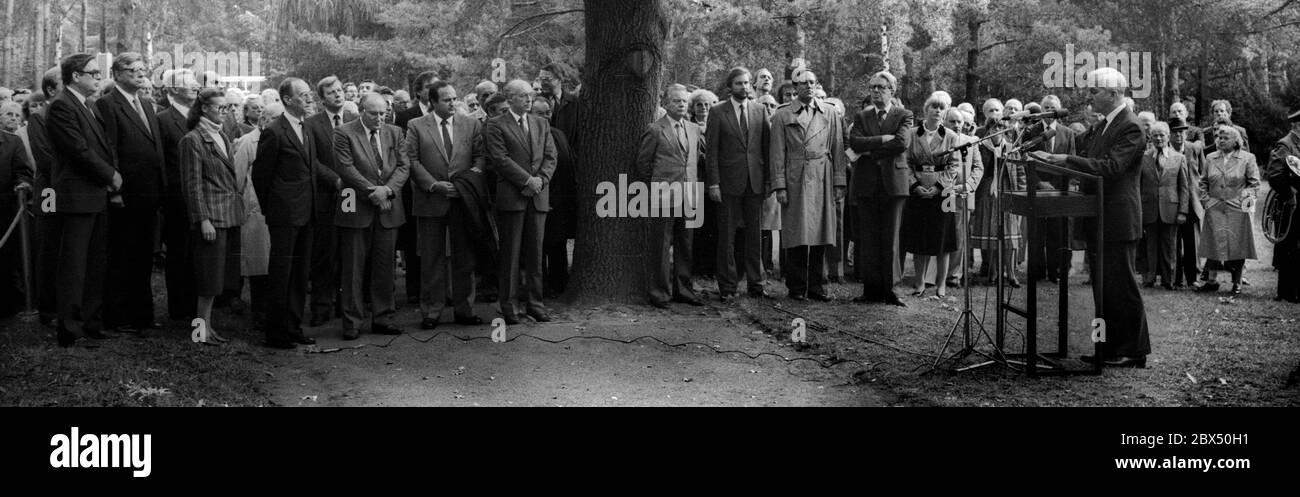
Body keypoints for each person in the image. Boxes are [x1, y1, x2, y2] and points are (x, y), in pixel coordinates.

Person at [1031, 67, 1150, 368]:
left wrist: (1066, 159)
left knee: (1121, 286)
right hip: (1098, 216)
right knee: (1102, 288)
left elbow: (1110, 168)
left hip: (1118, 219)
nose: (1089, 96)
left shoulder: (1130, 126)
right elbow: (1088, 159)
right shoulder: (1104, 125)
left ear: (1112, 94)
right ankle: (1105, 347)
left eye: (1094, 90)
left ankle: (1133, 351)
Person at [47, 53, 121, 347]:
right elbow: (78, 150)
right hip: (76, 195)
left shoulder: (89, 106)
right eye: (93, 73)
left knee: (94, 263)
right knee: (74, 266)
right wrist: (110, 175)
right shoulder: (61, 106)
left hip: (95, 194)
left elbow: (102, 146)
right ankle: (70, 329)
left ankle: (91, 322)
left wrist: (111, 175)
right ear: (75, 76)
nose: (98, 78)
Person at [405, 80, 488, 330]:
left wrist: (467, 181)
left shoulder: (470, 123)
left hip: (463, 200)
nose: (453, 103)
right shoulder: (416, 125)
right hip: (431, 199)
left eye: (454, 98)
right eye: (446, 99)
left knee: (465, 257)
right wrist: (434, 185)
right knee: (432, 258)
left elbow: (480, 157)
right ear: (432, 102)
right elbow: (412, 160)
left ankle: (465, 309)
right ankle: (432, 311)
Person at [96, 53, 166, 333]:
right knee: (122, 255)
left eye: (141, 69)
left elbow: (155, 147)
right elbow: (109, 149)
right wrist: (115, 190)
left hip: (149, 193)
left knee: (142, 255)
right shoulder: (107, 104)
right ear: (117, 74)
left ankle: (142, 314)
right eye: (132, 70)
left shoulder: (147, 105)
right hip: (125, 193)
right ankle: (118, 316)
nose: (139, 74)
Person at [332, 92, 409, 339]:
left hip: (388, 204)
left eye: (383, 113)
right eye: (374, 114)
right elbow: (345, 168)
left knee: (385, 264)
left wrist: (387, 190)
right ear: (362, 111)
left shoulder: (394, 132)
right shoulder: (344, 132)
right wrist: (372, 192)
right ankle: (352, 321)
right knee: (353, 266)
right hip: (353, 202)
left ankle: (383, 317)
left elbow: (404, 166)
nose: (379, 118)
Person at [252, 78, 320, 349]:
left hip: (307, 212)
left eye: (308, 94)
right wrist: (274, 210)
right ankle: (276, 332)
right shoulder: (275, 131)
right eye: (302, 95)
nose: (309, 98)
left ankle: (293, 327)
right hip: (285, 215)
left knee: (300, 274)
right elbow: (261, 176)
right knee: (282, 273)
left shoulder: (306, 128)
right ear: (288, 100)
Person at [485, 79, 556, 324]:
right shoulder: (496, 125)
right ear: (510, 98)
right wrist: (527, 181)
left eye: (530, 95)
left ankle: (536, 304)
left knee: (536, 255)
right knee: (511, 255)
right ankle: (510, 305)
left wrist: (540, 181)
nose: (529, 99)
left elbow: (550, 157)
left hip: (538, 197)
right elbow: (500, 159)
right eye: (523, 95)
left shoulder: (541, 123)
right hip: (513, 196)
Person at [770, 70, 844, 301]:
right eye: (803, 83)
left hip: (823, 175)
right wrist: (779, 186)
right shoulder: (782, 115)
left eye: (812, 82)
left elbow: (838, 150)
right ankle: (796, 287)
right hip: (795, 176)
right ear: (796, 86)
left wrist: (839, 182)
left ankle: (816, 287)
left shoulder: (830, 112)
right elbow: (776, 153)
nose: (808, 87)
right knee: (796, 234)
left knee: (821, 233)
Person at [179, 88, 242, 343]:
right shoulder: (192, 140)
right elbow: (192, 185)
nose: (225, 112)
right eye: (221, 108)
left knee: (216, 277)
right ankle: (199, 329)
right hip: (211, 218)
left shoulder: (222, 137)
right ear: (204, 108)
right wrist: (202, 219)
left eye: (228, 108)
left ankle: (206, 326)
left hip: (227, 215)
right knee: (207, 278)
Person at [848, 71, 913, 307]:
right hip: (866, 183)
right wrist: (884, 138)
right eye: (873, 87)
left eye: (881, 87)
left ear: (892, 90)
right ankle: (871, 288)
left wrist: (871, 148)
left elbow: (901, 143)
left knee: (891, 237)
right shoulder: (862, 116)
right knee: (868, 237)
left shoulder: (904, 115)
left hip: (893, 184)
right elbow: (855, 143)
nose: (876, 91)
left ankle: (890, 289)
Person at [705, 67, 769, 301]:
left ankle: (756, 283)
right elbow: (711, 152)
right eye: (739, 83)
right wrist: (714, 184)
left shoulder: (760, 110)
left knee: (754, 236)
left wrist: (768, 181)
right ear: (730, 87)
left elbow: (765, 148)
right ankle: (728, 285)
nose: (744, 87)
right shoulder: (718, 112)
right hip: (728, 183)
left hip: (755, 182)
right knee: (727, 237)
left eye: (747, 83)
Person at [637, 84, 704, 307]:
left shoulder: (694, 129)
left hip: (689, 194)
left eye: (685, 101)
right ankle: (660, 292)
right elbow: (643, 164)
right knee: (661, 245)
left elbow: (694, 161)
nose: (682, 104)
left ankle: (684, 290)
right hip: (664, 195)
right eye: (677, 101)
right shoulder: (655, 129)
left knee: (686, 244)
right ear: (666, 103)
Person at [303, 75, 354, 326]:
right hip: (325, 195)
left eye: (340, 90)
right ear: (322, 98)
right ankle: (321, 306)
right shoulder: (311, 124)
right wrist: (334, 179)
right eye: (331, 92)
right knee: (325, 251)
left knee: (349, 249)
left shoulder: (355, 120)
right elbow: (311, 160)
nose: (338, 94)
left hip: (352, 194)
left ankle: (346, 305)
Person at [900, 91, 961, 298]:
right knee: (919, 237)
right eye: (933, 107)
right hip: (917, 191)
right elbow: (905, 162)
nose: (937, 111)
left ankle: (941, 284)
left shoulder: (951, 136)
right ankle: (919, 282)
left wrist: (939, 186)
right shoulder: (912, 133)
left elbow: (954, 165)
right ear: (925, 110)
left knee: (942, 240)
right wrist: (914, 185)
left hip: (943, 194)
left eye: (941, 108)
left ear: (945, 113)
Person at [231, 102, 282, 331]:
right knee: (258, 266)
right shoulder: (247, 143)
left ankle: (275, 312)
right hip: (255, 211)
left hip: (279, 209)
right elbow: (238, 180)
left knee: (276, 265)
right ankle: (259, 314)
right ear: (264, 120)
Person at [1194, 125, 1259, 295]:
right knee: (1213, 243)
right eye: (1219, 137)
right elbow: (1202, 183)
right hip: (1214, 207)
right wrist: (1207, 201)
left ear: (1236, 141)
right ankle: (1211, 280)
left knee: (1238, 245)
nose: (1221, 140)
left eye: (1225, 137)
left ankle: (1237, 282)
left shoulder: (1247, 158)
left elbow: (1254, 185)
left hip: (1237, 209)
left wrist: (1244, 205)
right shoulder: (1210, 158)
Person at [159, 69, 201, 322]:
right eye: (189, 84)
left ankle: (198, 302)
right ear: (172, 90)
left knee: (198, 251)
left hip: (200, 195)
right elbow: (162, 162)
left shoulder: (200, 116)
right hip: (177, 197)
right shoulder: (163, 119)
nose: (196, 86)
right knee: (178, 252)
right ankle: (179, 308)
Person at [395, 71, 440, 305]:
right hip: (414, 187)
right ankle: (414, 289)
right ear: (419, 92)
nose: (435, 91)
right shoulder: (404, 117)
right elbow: (403, 153)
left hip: (442, 186)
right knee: (414, 240)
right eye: (430, 87)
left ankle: (439, 289)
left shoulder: (447, 114)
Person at [970, 98, 1024, 287]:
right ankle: (992, 271)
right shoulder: (981, 147)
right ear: (989, 130)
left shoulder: (1011, 148)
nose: (996, 132)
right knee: (992, 234)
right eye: (993, 128)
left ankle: (1010, 272)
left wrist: (1021, 193)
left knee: (1009, 236)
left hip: (1007, 193)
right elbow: (978, 170)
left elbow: (1020, 172)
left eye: (1000, 127)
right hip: (987, 195)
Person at [538, 63, 579, 297]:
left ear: (559, 79)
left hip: (565, 171)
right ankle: (541, 283)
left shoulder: (574, 103)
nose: (543, 81)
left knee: (559, 234)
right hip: (543, 172)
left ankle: (559, 280)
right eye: (541, 78)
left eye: (547, 78)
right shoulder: (538, 102)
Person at [1138, 121, 1191, 289]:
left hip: (1171, 209)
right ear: (1150, 138)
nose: (1159, 138)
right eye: (1155, 135)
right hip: (1149, 208)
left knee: (1170, 246)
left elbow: (1184, 187)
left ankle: (1169, 280)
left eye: (1162, 135)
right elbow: (1138, 186)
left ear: (1168, 136)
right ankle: (1149, 278)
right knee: (1150, 246)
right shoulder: (1144, 157)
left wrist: (1183, 211)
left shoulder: (1179, 158)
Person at [943, 108, 983, 288]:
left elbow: (978, 168)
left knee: (959, 235)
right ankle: (937, 275)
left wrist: (967, 186)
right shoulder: (940, 140)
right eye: (952, 121)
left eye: (959, 121)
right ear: (945, 122)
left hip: (963, 194)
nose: (957, 125)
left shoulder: (970, 142)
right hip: (943, 193)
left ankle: (954, 275)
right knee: (943, 233)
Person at [0, 103, 33, 318]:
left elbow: (23, 171)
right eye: (7, 114)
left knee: (6, 259)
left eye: (16, 115)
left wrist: (22, 184)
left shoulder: (13, 142)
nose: (13, 118)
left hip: (4, 210)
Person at [1267, 109, 1300, 303]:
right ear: (1296, 125)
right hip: (1291, 205)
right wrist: (1290, 194)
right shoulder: (1285, 144)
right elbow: (1275, 175)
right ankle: (1289, 292)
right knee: (1290, 247)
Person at [1168, 117, 1206, 288]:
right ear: (1169, 134)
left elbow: (1203, 173)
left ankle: (1193, 278)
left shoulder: (1192, 149)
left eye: (1182, 132)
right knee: (1174, 241)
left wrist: (1203, 196)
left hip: (1192, 200)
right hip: (1172, 200)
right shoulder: (1166, 151)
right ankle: (1175, 278)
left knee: (1191, 242)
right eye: (1175, 132)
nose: (1179, 135)